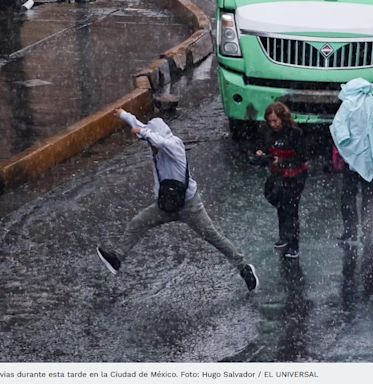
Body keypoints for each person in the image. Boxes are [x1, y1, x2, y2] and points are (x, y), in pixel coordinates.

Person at [96, 108, 259, 292]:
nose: (151, 148)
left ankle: (244, 268)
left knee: (213, 236)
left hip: (189, 205)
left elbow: (157, 139)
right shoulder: (154, 139)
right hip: (165, 205)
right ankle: (117, 259)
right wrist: (126, 116)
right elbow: (144, 129)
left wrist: (144, 133)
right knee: (138, 222)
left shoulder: (174, 145)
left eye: (151, 141)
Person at [330, 78, 373, 295]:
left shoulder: (348, 104)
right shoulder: (372, 102)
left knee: (349, 196)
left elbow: (339, 127)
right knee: (369, 197)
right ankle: (368, 232)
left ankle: (351, 230)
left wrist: (347, 145)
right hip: (370, 158)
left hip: (352, 159)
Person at [255, 102, 308, 259]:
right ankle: (284, 237)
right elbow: (263, 148)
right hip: (278, 175)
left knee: (291, 209)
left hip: (295, 176)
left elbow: (302, 157)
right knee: (281, 206)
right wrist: (261, 154)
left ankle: (294, 244)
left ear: (282, 119)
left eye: (275, 121)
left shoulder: (294, 133)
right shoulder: (267, 132)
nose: (273, 124)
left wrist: (284, 162)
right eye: (270, 121)